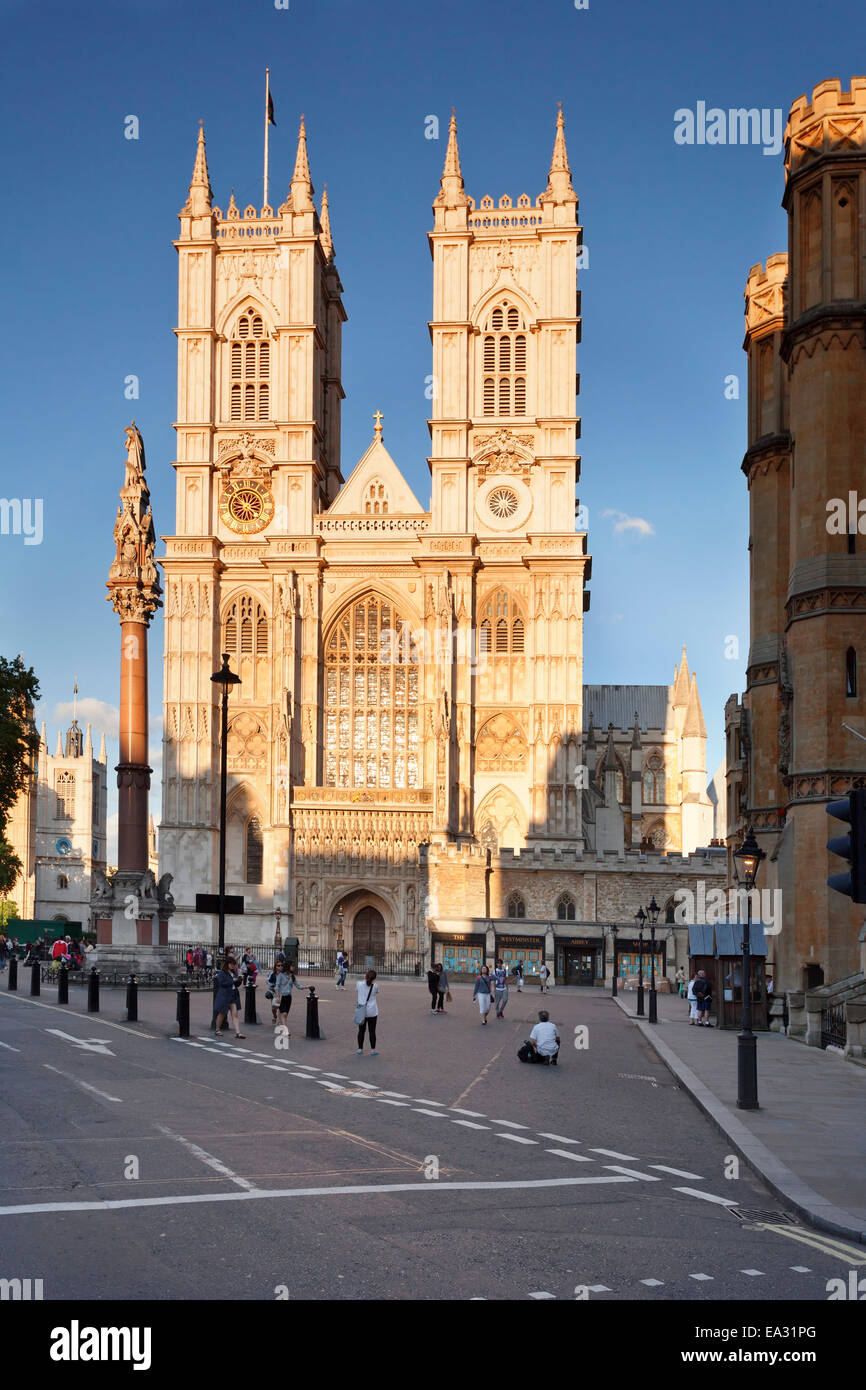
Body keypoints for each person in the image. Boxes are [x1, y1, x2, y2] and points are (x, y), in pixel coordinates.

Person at [214, 957, 246, 1040]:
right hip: (225, 995)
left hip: (232, 995)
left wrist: (239, 980)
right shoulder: (222, 973)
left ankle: (238, 1033)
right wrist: (233, 980)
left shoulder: (233, 973)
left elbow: (236, 985)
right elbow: (222, 983)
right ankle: (217, 1029)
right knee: (222, 1013)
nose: (233, 966)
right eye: (231, 964)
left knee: (235, 1014)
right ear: (227, 964)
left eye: (234, 964)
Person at [355, 968, 379, 1054]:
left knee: (361, 1031)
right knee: (372, 1031)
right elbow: (376, 992)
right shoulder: (375, 986)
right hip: (372, 1011)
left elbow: (357, 991)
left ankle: (360, 1049)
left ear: (365, 976)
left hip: (362, 1011)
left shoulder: (359, 984)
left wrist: (364, 979)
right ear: (374, 978)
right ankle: (373, 1050)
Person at [275, 960, 301, 1032]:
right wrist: (277, 996)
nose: (294, 967)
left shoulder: (292, 976)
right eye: (292, 966)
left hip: (289, 997)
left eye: (294, 966)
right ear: (288, 966)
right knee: (284, 1014)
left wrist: (306, 987)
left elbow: (298, 986)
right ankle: (285, 1031)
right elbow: (276, 987)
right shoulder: (280, 975)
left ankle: (279, 1020)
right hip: (282, 997)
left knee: (284, 1014)